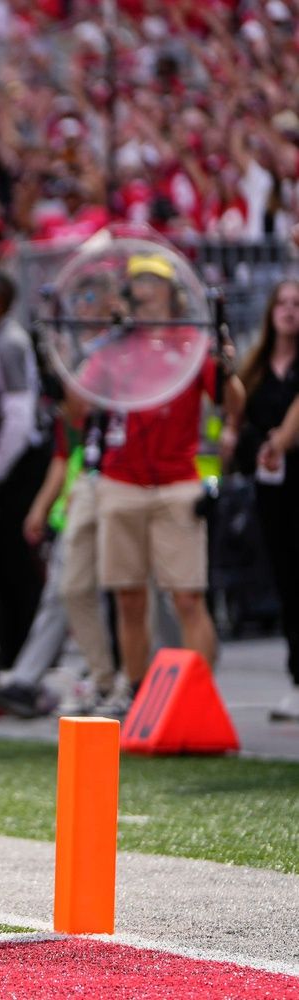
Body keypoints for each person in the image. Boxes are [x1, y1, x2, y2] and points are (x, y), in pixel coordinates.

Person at [90, 252, 244, 715]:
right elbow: (78, 402)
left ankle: (198, 700)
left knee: (187, 596)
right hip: (121, 479)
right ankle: (135, 695)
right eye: (136, 282)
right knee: (129, 596)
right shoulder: (117, 346)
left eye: (151, 282)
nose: (143, 290)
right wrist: (94, 346)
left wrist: (226, 363)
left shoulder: (191, 341)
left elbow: (231, 403)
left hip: (177, 478)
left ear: (171, 292)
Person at [0, 267, 52, 670]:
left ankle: (24, 652)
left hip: (21, 466)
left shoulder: (9, 344)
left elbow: (19, 417)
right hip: (12, 464)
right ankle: (14, 648)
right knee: (5, 561)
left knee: (15, 560)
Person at [240, 279, 299, 721]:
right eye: (282, 302)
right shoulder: (256, 368)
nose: (289, 310)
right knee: (287, 584)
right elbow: (235, 427)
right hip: (272, 492)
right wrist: (260, 446)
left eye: (297, 303)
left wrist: (284, 440)